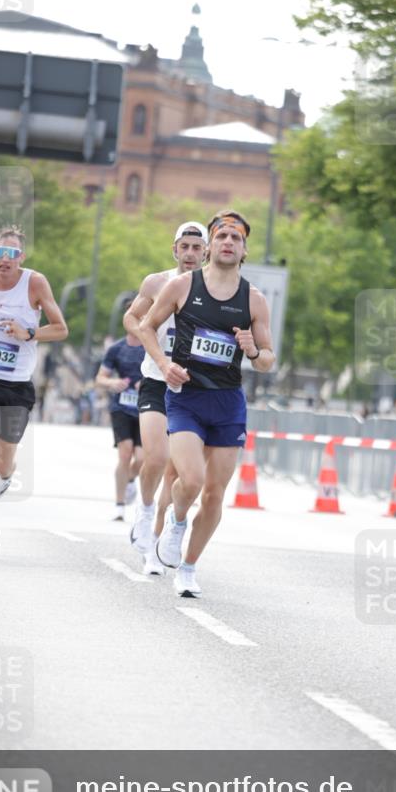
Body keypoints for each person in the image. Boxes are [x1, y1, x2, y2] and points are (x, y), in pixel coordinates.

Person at [137, 210, 275, 598]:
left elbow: (267, 360)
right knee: (191, 480)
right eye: (222, 236)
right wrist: (164, 365)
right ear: (211, 245)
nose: (228, 242)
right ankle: (176, 522)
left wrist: (253, 351)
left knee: (214, 493)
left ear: (244, 250)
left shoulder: (254, 300)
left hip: (228, 403)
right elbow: (146, 326)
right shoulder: (182, 286)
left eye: (236, 238)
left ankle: (189, 568)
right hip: (186, 397)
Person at [0, 224, 68, 559]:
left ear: (22, 257)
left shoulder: (34, 282)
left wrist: (27, 332)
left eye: (13, 254)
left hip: (17, 384)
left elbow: (61, 329)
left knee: (4, 462)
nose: (5, 259)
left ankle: (5, 476)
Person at [123, 220, 208, 575]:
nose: (189, 254)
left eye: (196, 248)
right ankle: (143, 514)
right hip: (157, 380)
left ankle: (157, 544)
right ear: (174, 250)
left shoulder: (216, 292)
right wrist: (149, 341)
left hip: (194, 388)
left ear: (206, 252)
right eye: (184, 247)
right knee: (155, 458)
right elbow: (132, 317)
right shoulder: (157, 282)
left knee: (177, 473)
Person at [95, 332, 145, 522]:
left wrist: (148, 384)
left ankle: (130, 479)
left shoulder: (153, 346)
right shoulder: (116, 348)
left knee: (141, 458)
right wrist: (112, 382)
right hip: (121, 407)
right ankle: (119, 504)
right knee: (125, 453)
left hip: (145, 408)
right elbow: (99, 378)